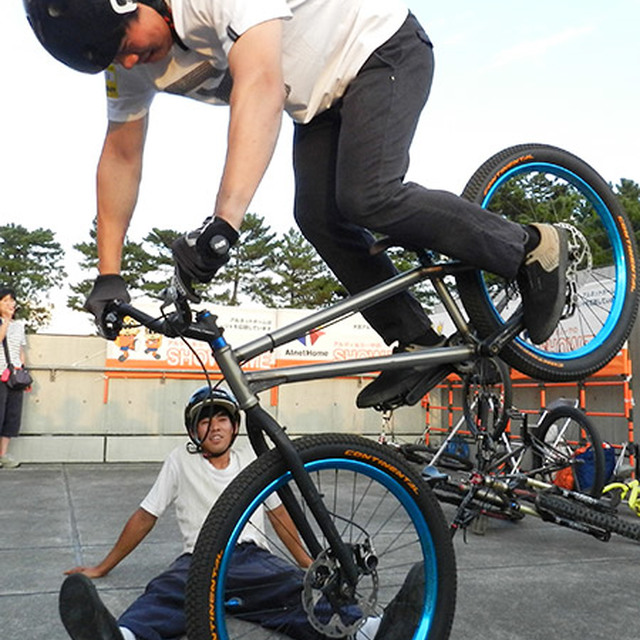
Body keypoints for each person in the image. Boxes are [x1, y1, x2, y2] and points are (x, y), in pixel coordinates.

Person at [23, 0, 568, 411]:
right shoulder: (127, 64)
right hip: (319, 100)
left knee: (367, 194)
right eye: (119, 56)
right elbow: (120, 155)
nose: (133, 57)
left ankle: (531, 249)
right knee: (317, 215)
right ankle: (414, 337)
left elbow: (259, 85)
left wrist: (224, 224)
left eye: (128, 40)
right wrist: (108, 275)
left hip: (380, 48)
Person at [58, 387, 390, 640]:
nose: (214, 427)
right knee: (163, 593)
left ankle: (370, 629)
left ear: (234, 426)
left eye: (222, 419)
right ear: (193, 430)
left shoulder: (251, 460)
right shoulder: (179, 460)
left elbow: (278, 514)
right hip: (198, 558)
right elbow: (146, 516)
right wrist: (103, 567)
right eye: (205, 420)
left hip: (251, 558)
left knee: (293, 592)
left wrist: (305, 560)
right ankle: (121, 636)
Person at [0, 286, 28, 469]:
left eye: (12, 300)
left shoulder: (20, 326)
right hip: (0, 375)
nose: (11, 304)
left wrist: (22, 370)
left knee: (12, 416)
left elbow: (20, 349)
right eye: (5, 300)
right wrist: (6, 321)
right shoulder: (6, 323)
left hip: (14, 377)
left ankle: (3, 455)